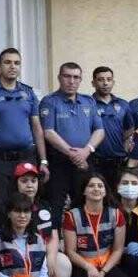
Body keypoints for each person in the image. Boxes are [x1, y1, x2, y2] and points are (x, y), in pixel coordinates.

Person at [0, 47, 48, 216]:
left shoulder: (28, 93)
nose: (12, 66)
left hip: (26, 157)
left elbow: (37, 128)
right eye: (7, 62)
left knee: (27, 205)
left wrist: (43, 161)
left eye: (16, 63)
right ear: (0, 66)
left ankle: (28, 241)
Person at [62, 173, 131, 277]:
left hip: (107, 263)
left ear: (106, 191)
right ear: (84, 191)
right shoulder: (72, 215)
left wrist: (104, 271)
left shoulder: (116, 214)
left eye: (100, 186)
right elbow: (70, 251)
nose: (96, 189)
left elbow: (118, 249)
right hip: (82, 264)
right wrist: (89, 268)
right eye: (91, 185)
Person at [11, 163, 72, 277]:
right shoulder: (8, 206)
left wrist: (50, 258)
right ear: (16, 183)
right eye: (24, 181)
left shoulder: (45, 206)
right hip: (18, 260)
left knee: (62, 263)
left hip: (41, 257)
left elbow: (52, 235)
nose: (29, 185)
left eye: (33, 180)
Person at [40, 62, 104, 210]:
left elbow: (100, 130)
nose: (71, 81)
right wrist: (72, 153)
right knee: (57, 206)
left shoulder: (89, 101)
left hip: (85, 162)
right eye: (67, 76)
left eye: (76, 77)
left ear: (81, 80)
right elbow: (48, 132)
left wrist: (86, 151)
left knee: (84, 205)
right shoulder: (49, 101)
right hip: (59, 163)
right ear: (59, 78)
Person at [89, 66, 134, 190]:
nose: (105, 83)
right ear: (93, 82)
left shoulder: (123, 104)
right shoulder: (87, 104)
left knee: (117, 197)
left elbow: (129, 128)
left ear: (113, 82)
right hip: (95, 162)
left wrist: (120, 140)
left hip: (118, 161)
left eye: (109, 79)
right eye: (101, 79)